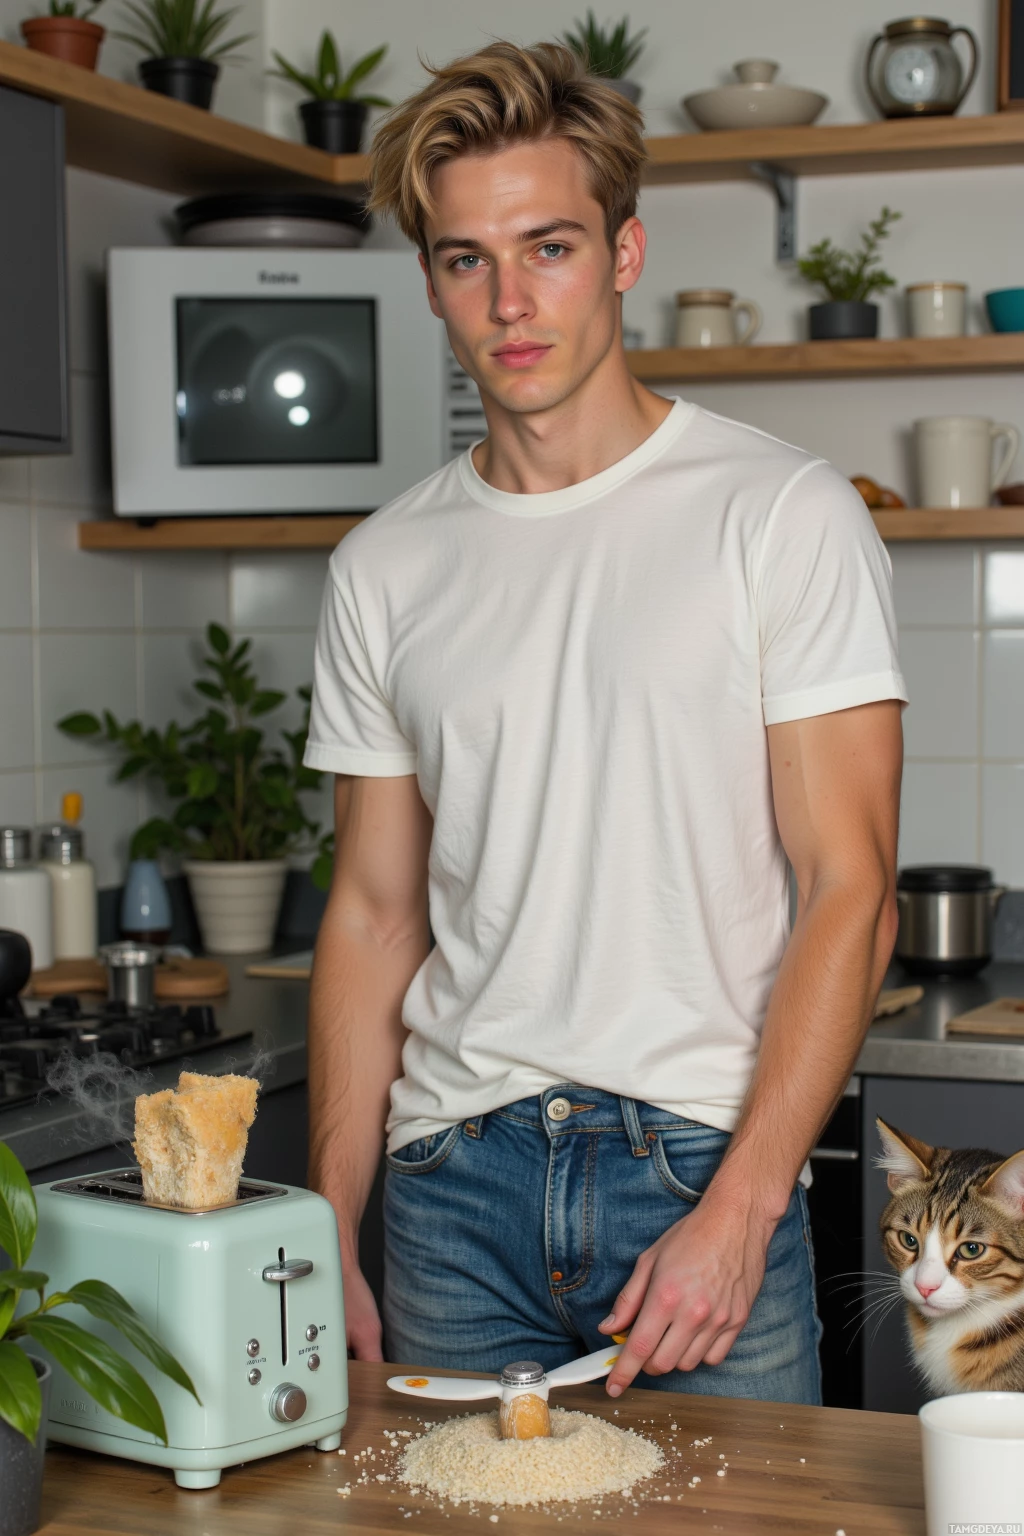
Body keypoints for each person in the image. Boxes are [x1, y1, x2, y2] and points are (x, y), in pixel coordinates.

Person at [303, 39, 906, 1405]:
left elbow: (849, 887)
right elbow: (375, 913)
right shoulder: (384, 565)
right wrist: (325, 1220)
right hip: (451, 1189)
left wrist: (744, 1210)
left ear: (624, 254)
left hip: (694, 1166)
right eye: (468, 259)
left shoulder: (779, 512)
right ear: (430, 283)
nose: (511, 302)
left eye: (550, 248)